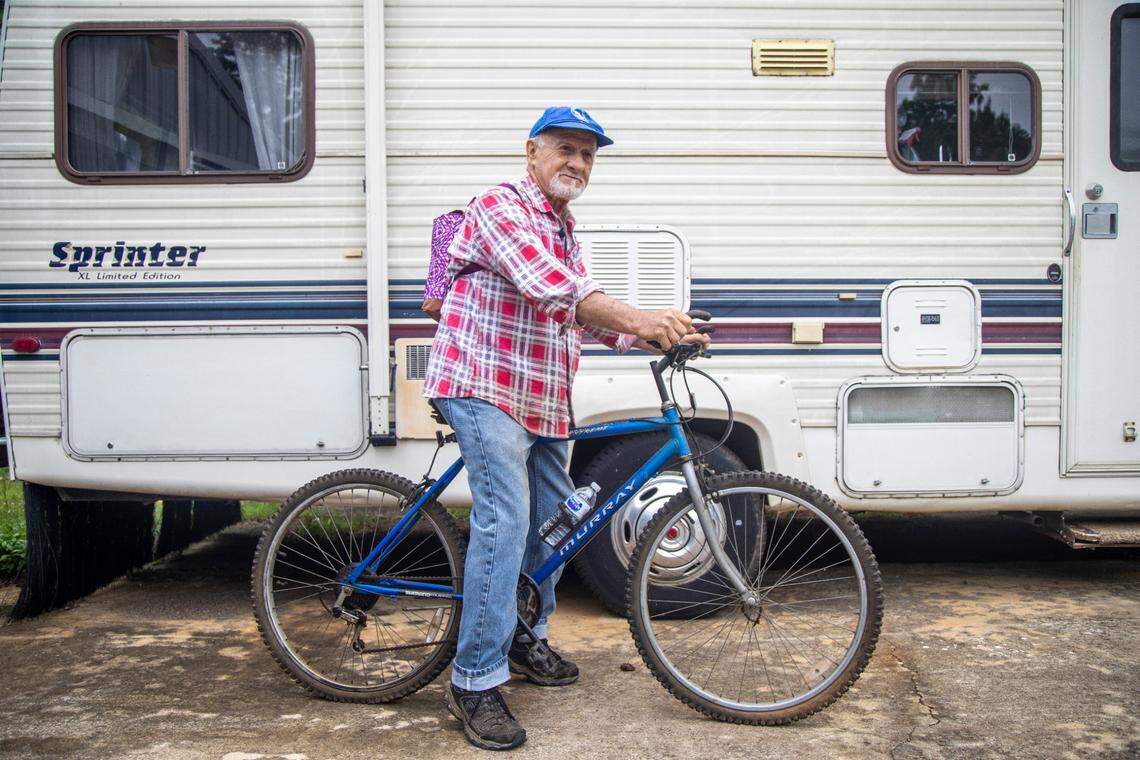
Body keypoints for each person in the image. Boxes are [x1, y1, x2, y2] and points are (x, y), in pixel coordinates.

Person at [423, 106, 709, 750]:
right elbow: (550, 287)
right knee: (507, 519)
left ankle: (524, 636)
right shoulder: (499, 205)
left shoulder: (565, 228)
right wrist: (641, 318)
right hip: (482, 383)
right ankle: (473, 680)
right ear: (532, 152)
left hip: (541, 397)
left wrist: (663, 333)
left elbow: (584, 311)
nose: (578, 163)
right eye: (566, 149)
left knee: (557, 522)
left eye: (588, 154)